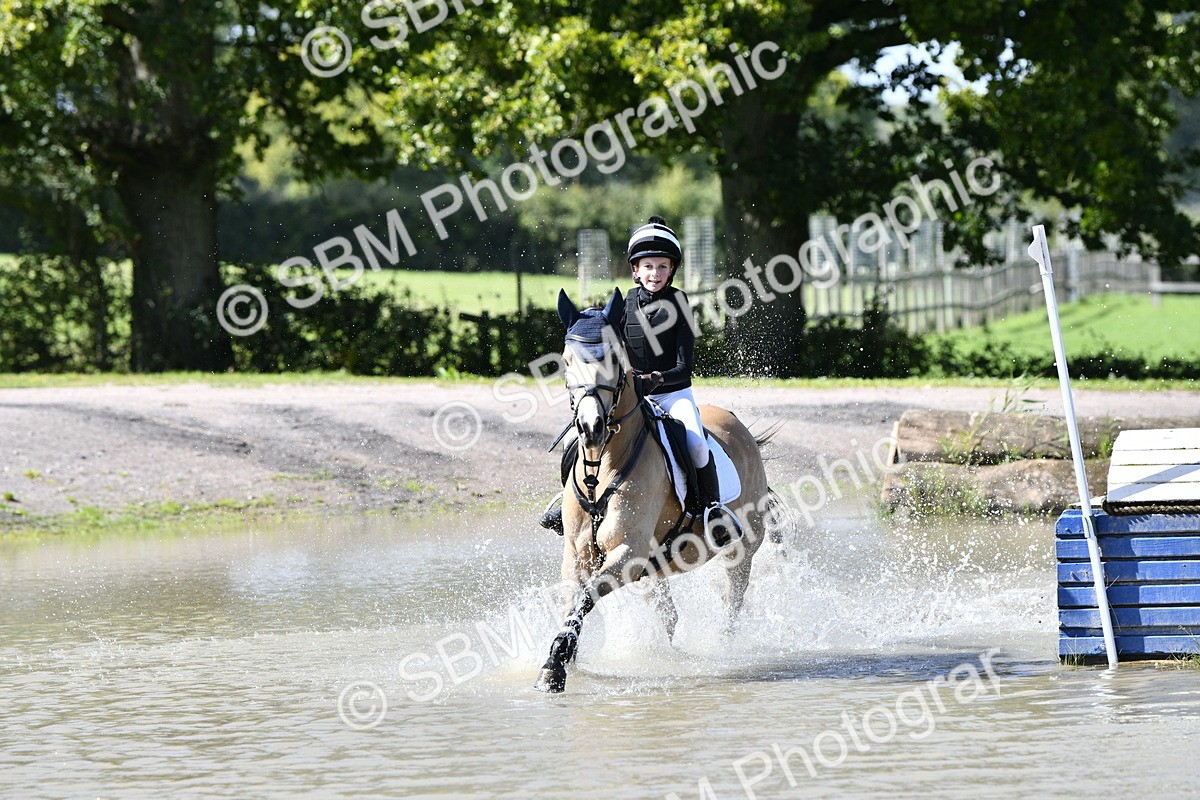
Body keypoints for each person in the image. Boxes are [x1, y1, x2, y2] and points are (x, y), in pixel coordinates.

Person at [540, 215, 740, 545]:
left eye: (662, 267)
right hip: (628, 395)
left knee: (696, 442)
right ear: (635, 269)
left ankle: (712, 510)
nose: (655, 274)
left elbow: (683, 366)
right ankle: (567, 501)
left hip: (673, 395)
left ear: (672, 270)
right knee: (575, 439)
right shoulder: (622, 304)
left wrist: (652, 379)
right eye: (648, 266)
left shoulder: (679, 304)